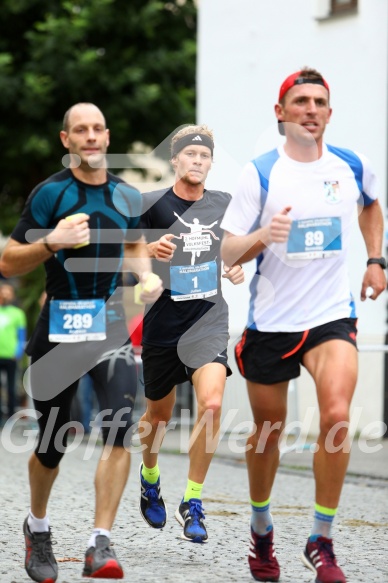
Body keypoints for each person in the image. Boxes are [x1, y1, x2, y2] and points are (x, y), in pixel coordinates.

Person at [220, 68, 387, 583]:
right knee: (268, 433)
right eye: (300, 101)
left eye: (319, 101)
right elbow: (226, 247)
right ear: (281, 112)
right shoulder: (261, 173)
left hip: (331, 315)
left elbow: (371, 205)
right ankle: (261, 526)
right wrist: (262, 238)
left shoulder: (350, 165)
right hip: (271, 322)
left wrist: (376, 260)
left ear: (329, 114)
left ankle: (322, 539)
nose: (310, 109)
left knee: (336, 416)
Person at [0, 102, 162, 582]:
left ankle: (100, 543)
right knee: (54, 438)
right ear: (65, 139)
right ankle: (38, 527)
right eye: (80, 130)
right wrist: (52, 241)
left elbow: (134, 243)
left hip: (109, 325)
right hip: (58, 330)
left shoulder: (127, 195)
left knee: (120, 426)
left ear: (107, 137)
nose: (90, 136)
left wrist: (146, 276)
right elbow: (9, 262)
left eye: (97, 129)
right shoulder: (50, 194)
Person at [137, 124, 244, 543]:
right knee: (158, 418)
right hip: (163, 326)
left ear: (210, 164)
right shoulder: (151, 204)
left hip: (208, 323)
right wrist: (147, 250)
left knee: (212, 405)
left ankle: (193, 501)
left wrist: (235, 265)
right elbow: (122, 255)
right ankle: (150, 476)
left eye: (204, 157)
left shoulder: (223, 204)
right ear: (175, 160)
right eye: (190, 155)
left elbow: (232, 249)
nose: (197, 162)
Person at [0, 283, 27, 423]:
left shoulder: (18, 313)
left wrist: (18, 352)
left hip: (10, 356)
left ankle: (10, 416)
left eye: (8, 292)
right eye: (3, 292)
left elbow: (21, 336)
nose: (5, 295)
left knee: (11, 388)